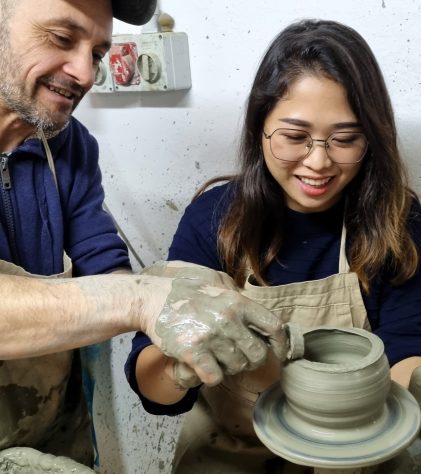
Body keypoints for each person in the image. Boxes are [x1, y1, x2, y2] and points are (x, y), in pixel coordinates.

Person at [126, 19, 421, 474]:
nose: (319, 161)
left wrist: (419, 381)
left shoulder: (394, 220)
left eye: (345, 139)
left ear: (371, 137)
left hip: (357, 448)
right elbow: (150, 380)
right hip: (232, 450)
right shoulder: (214, 219)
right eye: (294, 137)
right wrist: (175, 370)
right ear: (259, 127)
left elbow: (412, 342)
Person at [0, 0, 288, 469]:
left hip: (49, 429)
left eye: (97, 52)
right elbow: (124, 297)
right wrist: (140, 301)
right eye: (61, 38)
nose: (85, 73)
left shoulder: (69, 146)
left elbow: (102, 260)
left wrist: (172, 297)